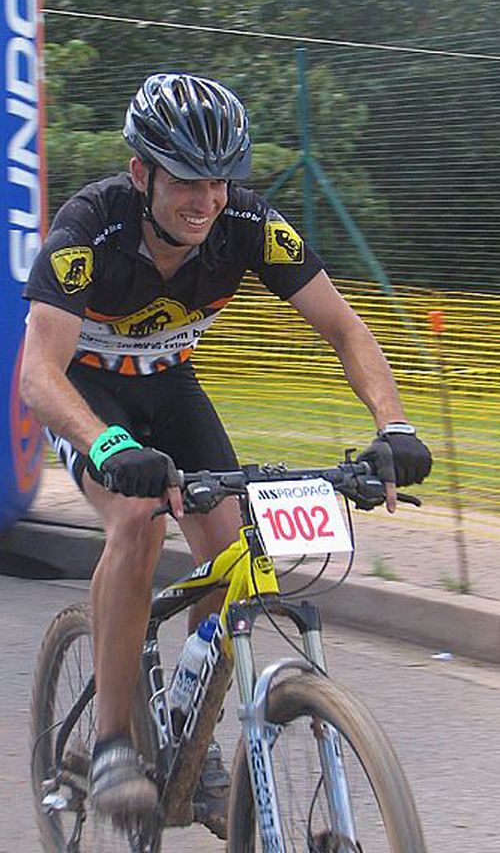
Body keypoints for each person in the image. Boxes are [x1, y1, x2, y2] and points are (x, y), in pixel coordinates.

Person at [20, 73, 432, 835]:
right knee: (139, 518)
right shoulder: (90, 228)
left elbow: (344, 327)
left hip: (170, 386)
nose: (206, 199)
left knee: (232, 545)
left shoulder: (248, 225)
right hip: (90, 394)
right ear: (141, 173)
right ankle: (112, 738)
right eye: (185, 179)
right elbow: (37, 373)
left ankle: (193, 732)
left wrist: (395, 426)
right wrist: (107, 444)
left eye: (219, 179)